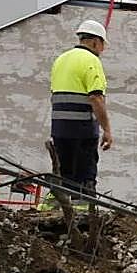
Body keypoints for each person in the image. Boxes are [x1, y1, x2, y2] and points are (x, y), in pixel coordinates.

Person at [49, 19, 113, 197]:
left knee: (64, 176)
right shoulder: (91, 61)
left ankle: (57, 212)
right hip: (82, 130)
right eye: (102, 45)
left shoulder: (60, 60)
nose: (102, 50)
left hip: (59, 130)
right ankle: (84, 214)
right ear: (95, 41)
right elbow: (96, 97)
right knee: (85, 177)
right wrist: (107, 130)